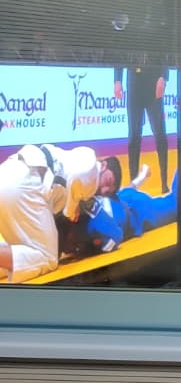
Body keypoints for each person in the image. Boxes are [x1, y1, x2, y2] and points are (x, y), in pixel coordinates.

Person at [0, 144, 121, 283]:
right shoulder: (91, 163)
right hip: (25, 186)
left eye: (107, 192)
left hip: (10, 172)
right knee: (47, 258)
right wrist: (70, 211)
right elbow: (77, 176)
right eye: (108, 181)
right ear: (104, 165)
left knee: (23, 252)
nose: (104, 189)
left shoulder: (73, 160)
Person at [114, 65, 171, 194]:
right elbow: (120, 55)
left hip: (153, 80)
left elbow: (166, 53)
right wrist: (117, 79)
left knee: (160, 134)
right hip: (134, 82)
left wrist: (163, 77)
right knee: (134, 136)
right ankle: (133, 186)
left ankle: (164, 184)